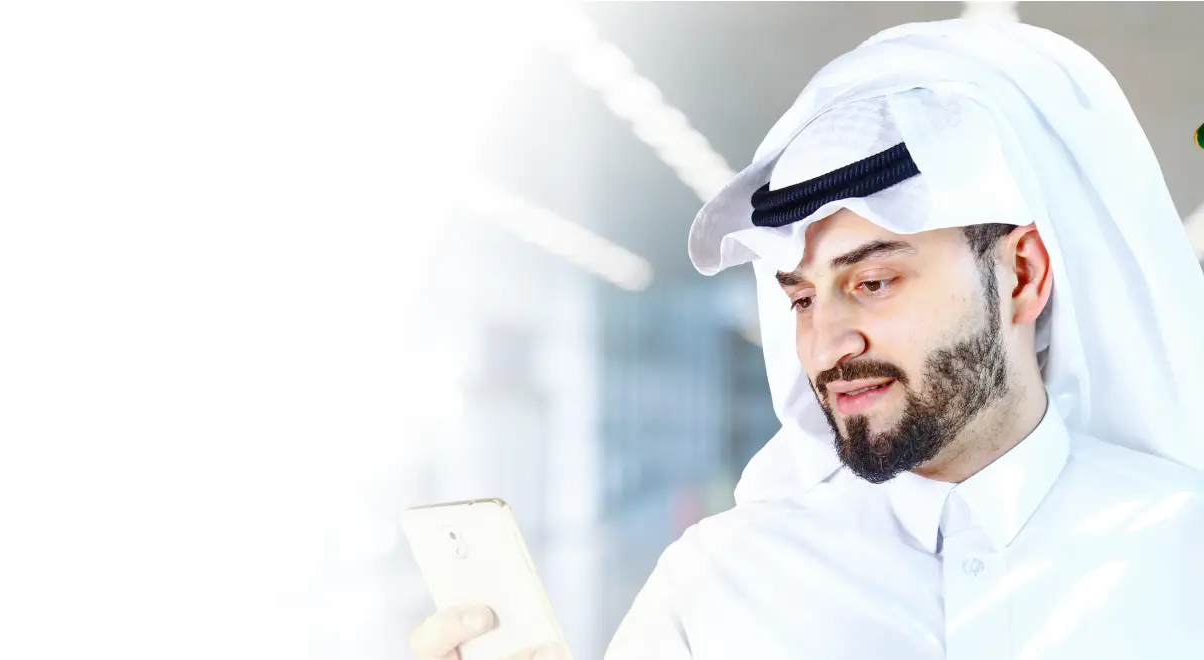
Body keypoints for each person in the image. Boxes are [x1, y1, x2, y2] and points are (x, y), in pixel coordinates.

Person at [410, 19, 1204, 660]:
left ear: (1024, 275)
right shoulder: (715, 586)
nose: (825, 345)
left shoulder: (1183, 556)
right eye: (799, 298)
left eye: (874, 281)